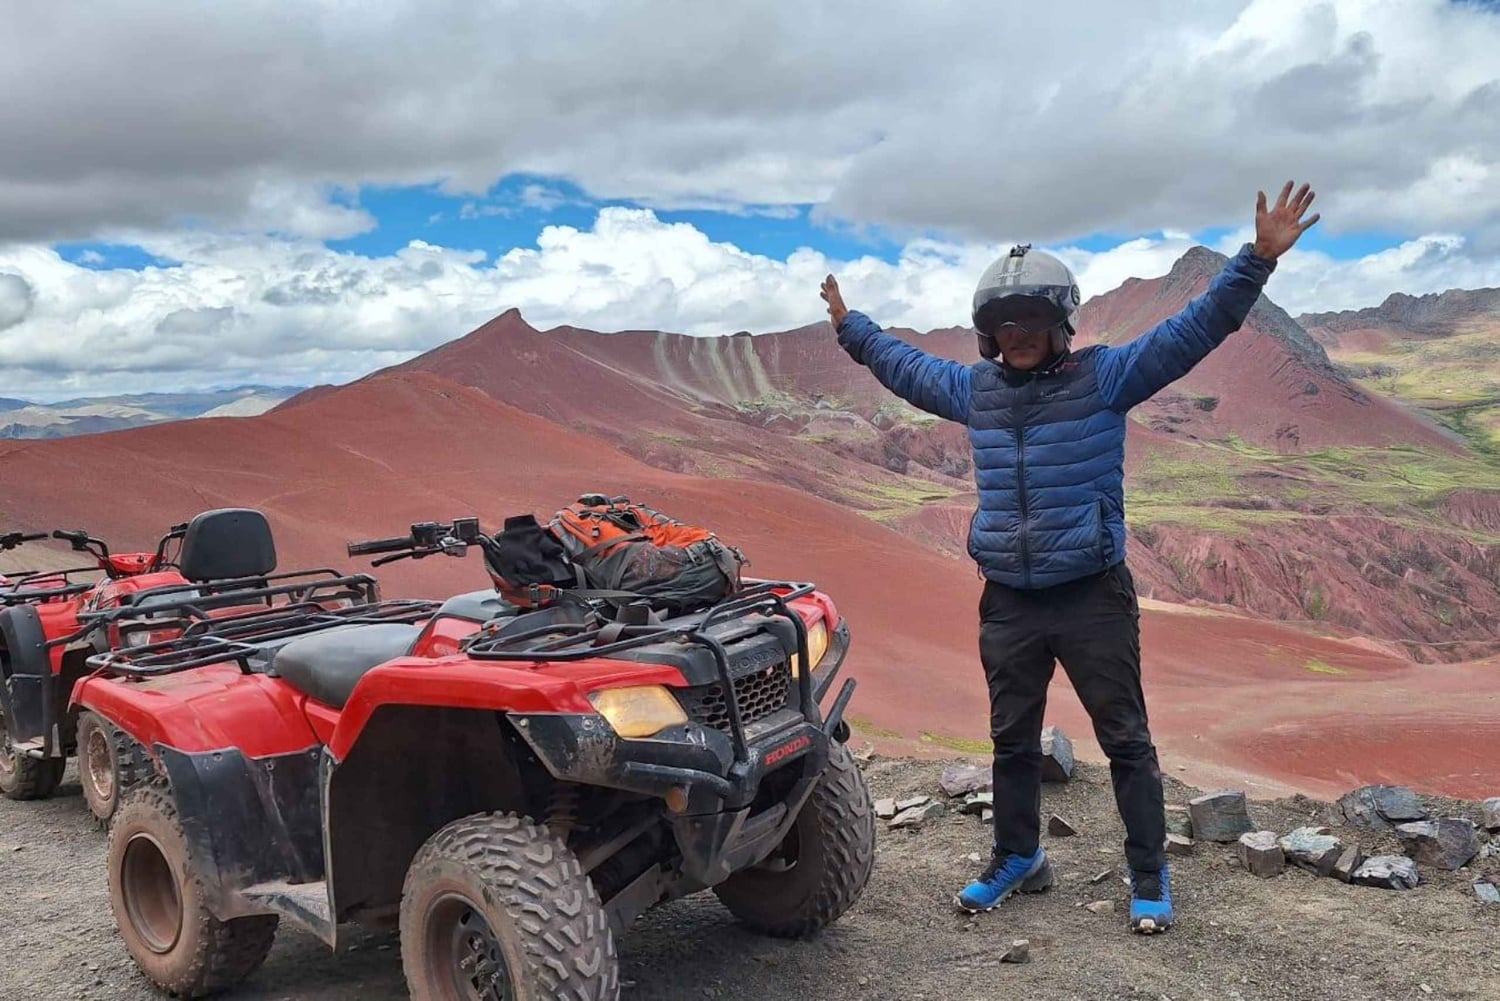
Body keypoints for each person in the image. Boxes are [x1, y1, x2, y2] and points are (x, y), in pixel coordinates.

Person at [820, 182, 1319, 934]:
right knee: (1010, 739)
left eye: (1033, 323)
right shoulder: (975, 389)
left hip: (1091, 594)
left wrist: (1255, 261)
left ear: (1061, 326)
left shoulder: (1105, 377)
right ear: (989, 335)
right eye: (1005, 325)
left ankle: (1149, 872)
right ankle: (1018, 856)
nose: (1018, 335)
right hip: (1010, 598)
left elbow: (1195, 330)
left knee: (1124, 738)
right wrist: (851, 328)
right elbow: (904, 365)